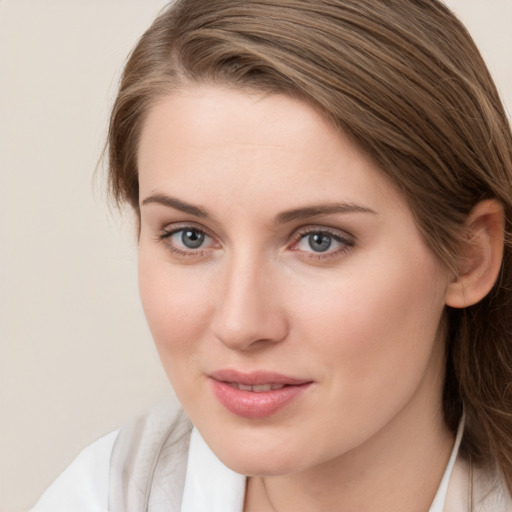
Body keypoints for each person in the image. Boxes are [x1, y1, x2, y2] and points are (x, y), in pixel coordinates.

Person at [31, 0, 512, 511]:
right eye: (189, 236)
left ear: (468, 257)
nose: (241, 325)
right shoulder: (100, 497)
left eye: (319, 240)